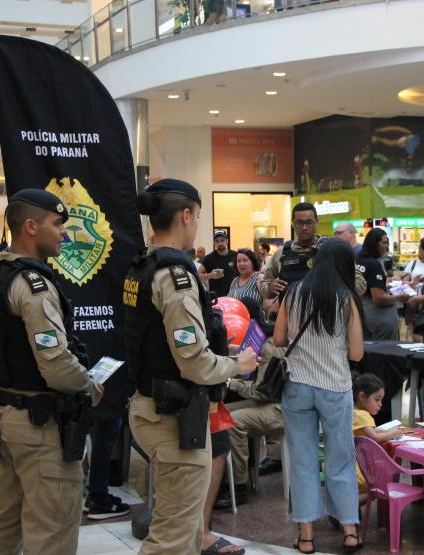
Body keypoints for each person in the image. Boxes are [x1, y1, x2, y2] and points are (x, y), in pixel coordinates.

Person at [124, 178, 257, 555]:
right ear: (186, 215)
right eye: (197, 216)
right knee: (174, 537)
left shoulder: (143, 266)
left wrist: (216, 345)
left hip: (154, 407)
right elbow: (194, 362)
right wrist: (236, 362)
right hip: (173, 419)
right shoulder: (175, 275)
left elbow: (167, 340)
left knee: (171, 526)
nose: (197, 223)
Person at [0, 189, 104, 554]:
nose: (63, 232)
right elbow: (56, 362)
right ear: (31, 226)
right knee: (52, 529)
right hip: (40, 425)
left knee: (5, 523)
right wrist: (89, 386)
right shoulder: (32, 285)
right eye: (57, 223)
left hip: (6, 414)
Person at [274, 238, 364, 553]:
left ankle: (306, 536)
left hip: (297, 386)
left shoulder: (293, 292)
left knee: (302, 461)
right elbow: (356, 353)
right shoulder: (346, 298)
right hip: (335, 388)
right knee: (340, 459)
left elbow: (279, 337)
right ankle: (350, 531)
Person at [216, 298, 285, 511]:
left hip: (279, 407)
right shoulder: (267, 339)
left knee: (233, 421)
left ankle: (239, 486)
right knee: (223, 411)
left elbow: (261, 392)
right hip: (274, 401)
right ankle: (226, 478)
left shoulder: (269, 348)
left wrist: (230, 382)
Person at [260, 202, 366, 304]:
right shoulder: (281, 253)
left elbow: (360, 284)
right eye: (300, 223)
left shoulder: (333, 249)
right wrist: (270, 288)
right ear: (292, 224)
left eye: (309, 222)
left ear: (317, 222)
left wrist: (335, 287)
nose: (304, 227)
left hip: (327, 315)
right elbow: (264, 284)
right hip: (291, 316)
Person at [351, 373, 404, 493]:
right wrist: (393, 434)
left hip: (352, 467)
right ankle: (348, 509)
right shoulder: (362, 415)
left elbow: (369, 433)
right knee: (378, 490)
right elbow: (375, 438)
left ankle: (347, 508)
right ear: (362, 396)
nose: (380, 404)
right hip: (360, 471)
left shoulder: (353, 412)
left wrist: (381, 431)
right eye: (377, 399)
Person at [357, 228, 410, 341]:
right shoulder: (374, 264)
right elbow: (378, 297)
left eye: (388, 243)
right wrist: (401, 297)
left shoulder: (358, 259)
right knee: (386, 354)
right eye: (384, 242)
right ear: (374, 243)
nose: (387, 246)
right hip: (379, 319)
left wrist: (385, 285)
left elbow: (367, 284)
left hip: (361, 316)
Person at [201, 230, 237, 299]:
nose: (220, 243)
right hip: (216, 299)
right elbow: (198, 276)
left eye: (222, 240)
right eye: (217, 241)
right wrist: (210, 275)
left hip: (234, 298)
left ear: (227, 241)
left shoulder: (235, 255)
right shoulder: (209, 258)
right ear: (214, 243)